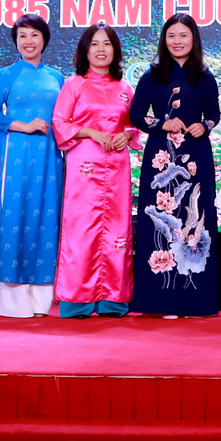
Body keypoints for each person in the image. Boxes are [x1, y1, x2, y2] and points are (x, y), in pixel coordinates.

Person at [130, 13, 221, 317]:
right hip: (161, 159)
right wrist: (162, 123)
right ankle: (161, 300)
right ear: (164, 40)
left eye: (183, 35)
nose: (177, 41)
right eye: (171, 36)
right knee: (162, 222)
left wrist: (204, 126)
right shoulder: (153, 75)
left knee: (197, 220)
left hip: (196, 157)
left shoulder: (205, 76)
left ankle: (196, 301)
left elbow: (213, 114)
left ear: (193, 39)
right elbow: (137, 115)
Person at [52, 24, 141, 318]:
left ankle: (113, 299)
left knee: (117, 230)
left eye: (107, 44)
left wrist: (127, 135)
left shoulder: (125, 88)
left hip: (116, 166)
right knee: (81, 229)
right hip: (84, 166)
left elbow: (133, 124)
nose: (101, 49)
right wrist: (90, 132)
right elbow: (60, 122)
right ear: (85, 50)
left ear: (115, 50)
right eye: (95, 44)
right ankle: (78, 299)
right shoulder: (73, 84)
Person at [0, 14, 66, 318]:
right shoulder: (6, 75)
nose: (28, 41)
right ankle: (14, 301)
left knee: (46, 220)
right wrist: (22, 125)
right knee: (14, 221)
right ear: (15, 41)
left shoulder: (57, 77)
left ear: (44, 39)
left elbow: (64, 120)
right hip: (14, 156)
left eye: (33, 35)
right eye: (22, 36)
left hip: (50, 157)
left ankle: (42, 298)